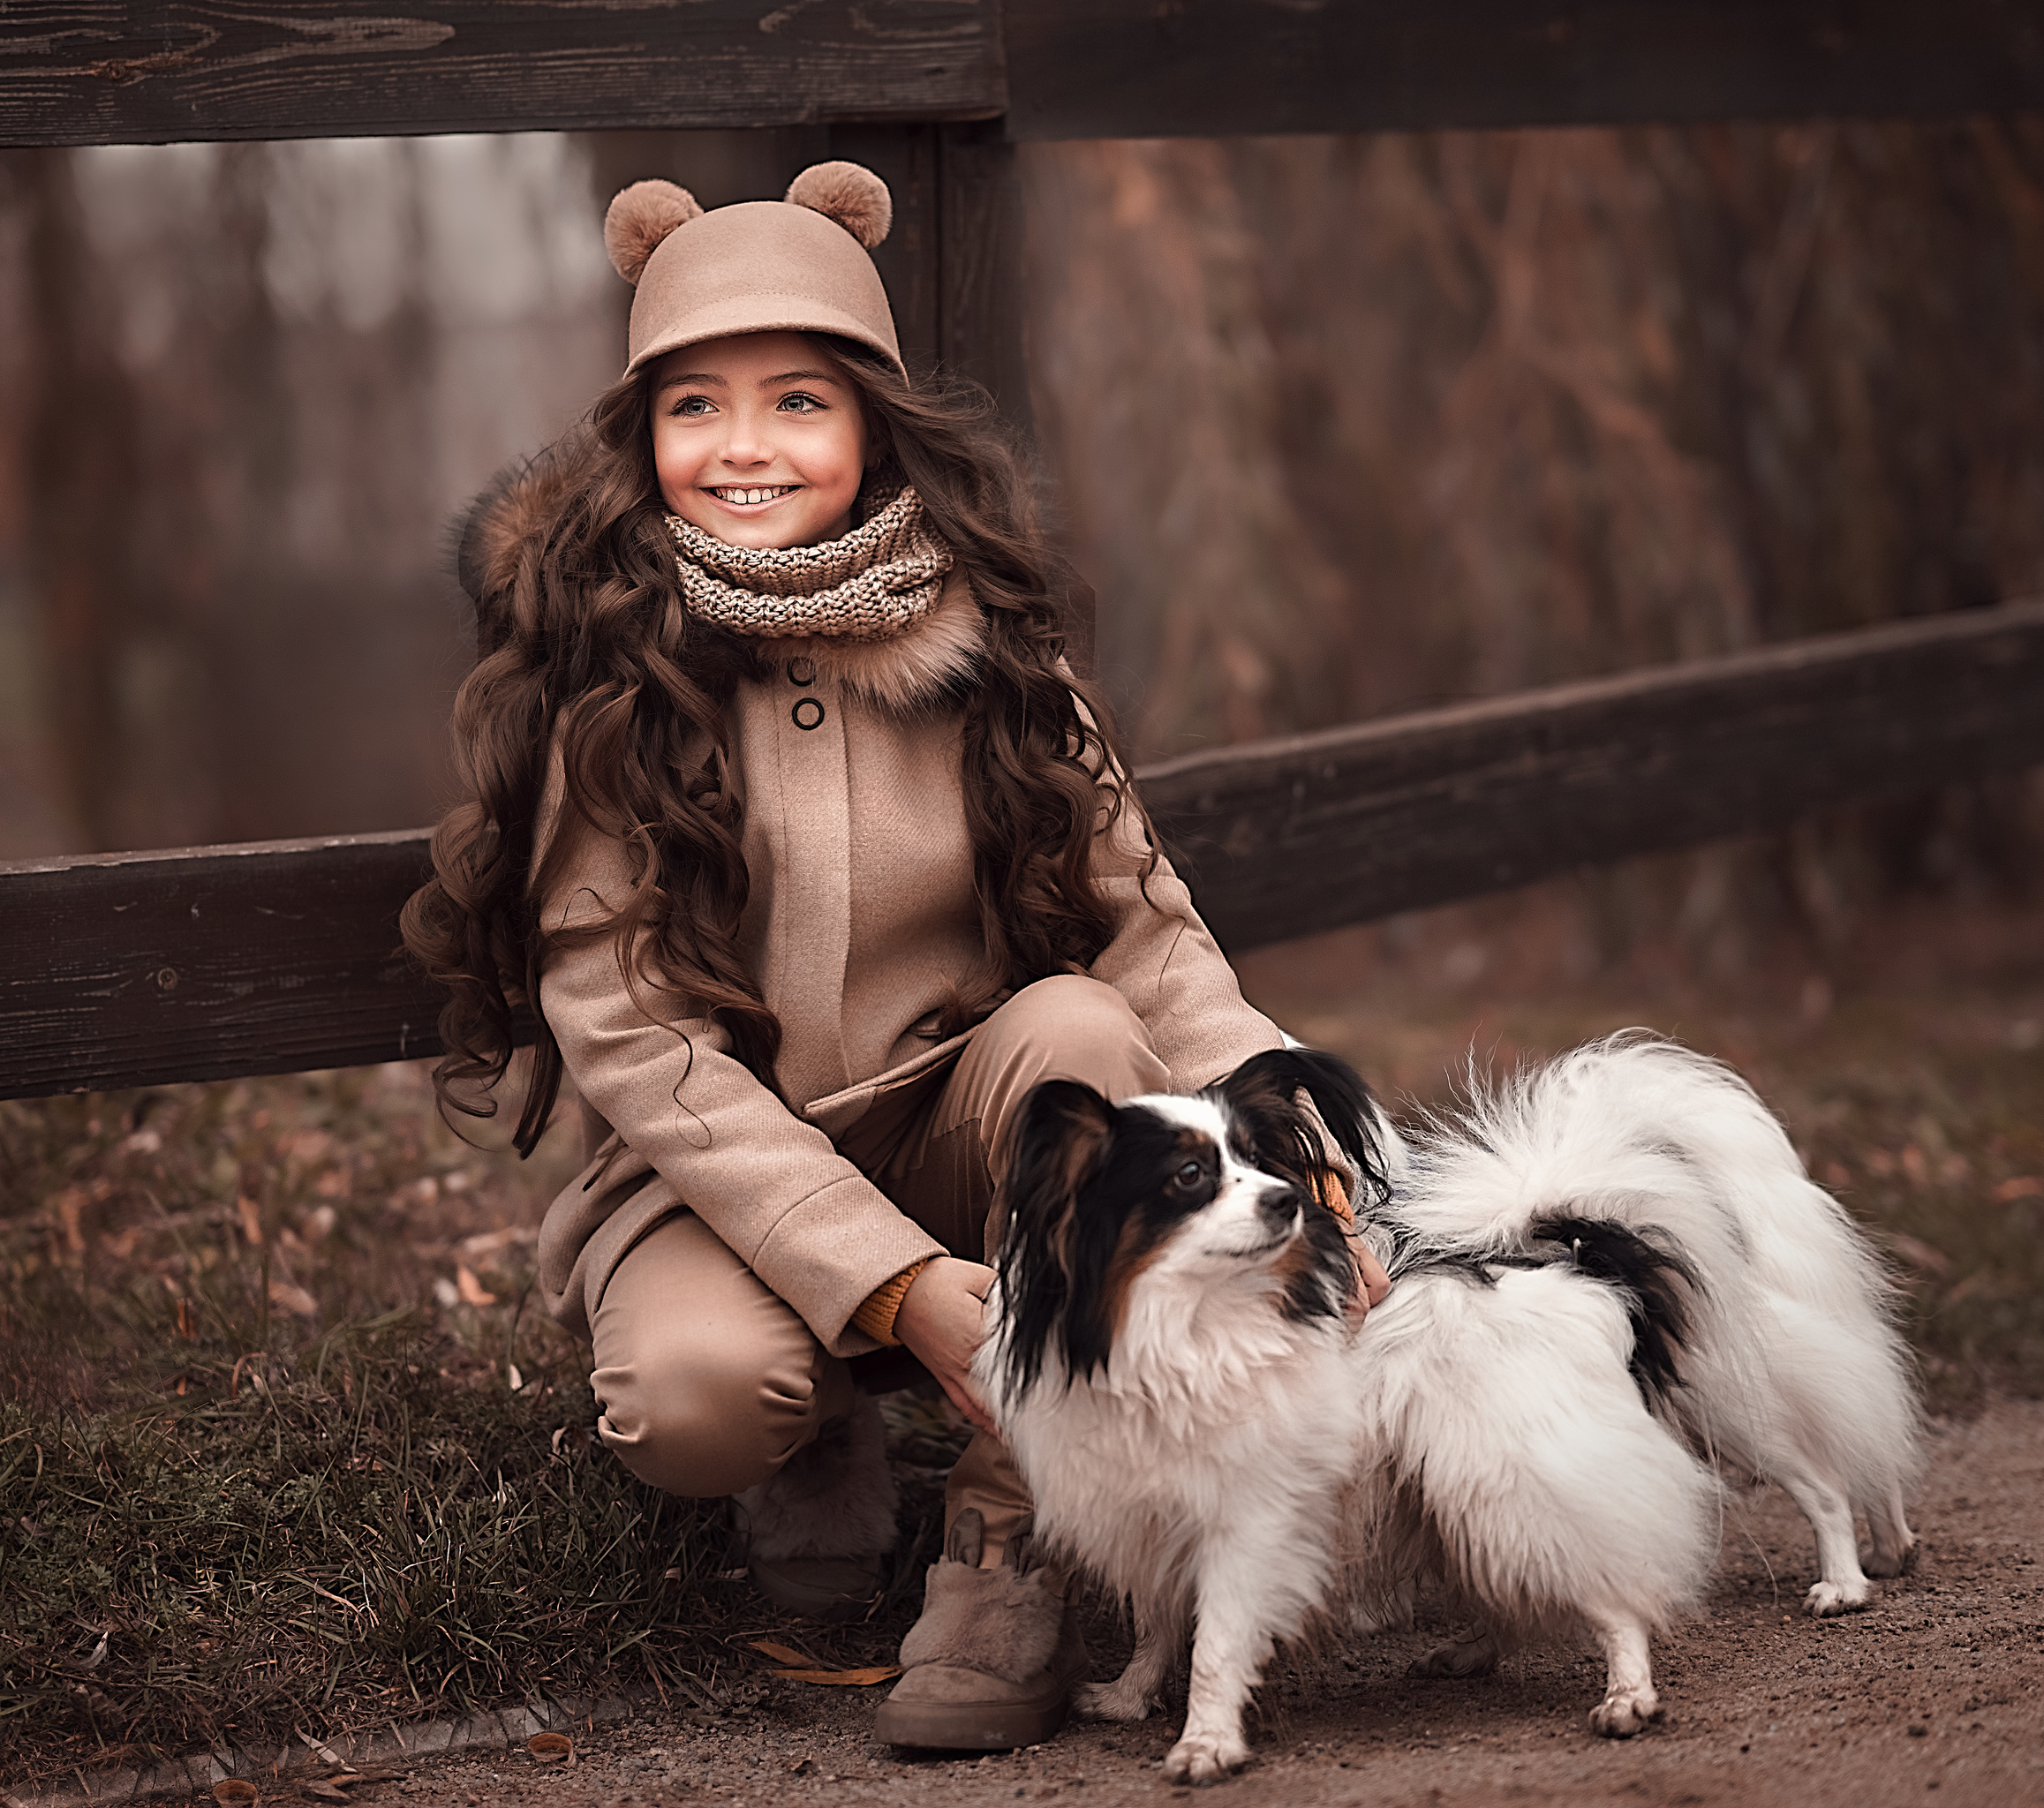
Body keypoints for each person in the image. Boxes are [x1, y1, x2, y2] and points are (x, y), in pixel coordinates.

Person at [402, 162, 1385, 1752]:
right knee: (701, 1393)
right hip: (716, 1173)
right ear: (642, 439)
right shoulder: (610, 687)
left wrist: (1306, 1140)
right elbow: (637, 1041)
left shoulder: (994, 654)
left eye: (798, 400)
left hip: (961, 1113)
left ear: (871, 426)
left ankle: (1012, 1535)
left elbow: (1147, 926)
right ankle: (815, 1453)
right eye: (695, 408)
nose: (744, 447)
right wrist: (906, 1290)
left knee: (1077, 1032)